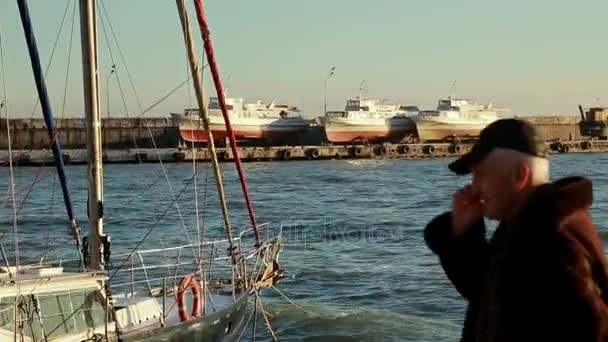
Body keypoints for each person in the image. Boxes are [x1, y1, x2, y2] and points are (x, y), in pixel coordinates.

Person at [424, 118, 608, 341]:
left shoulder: (552, 238)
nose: (474, 186)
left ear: (521, 175)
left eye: (481, 174)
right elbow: (489, 296)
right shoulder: (524, 224)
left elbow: (593, 326)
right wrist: (463, 234)